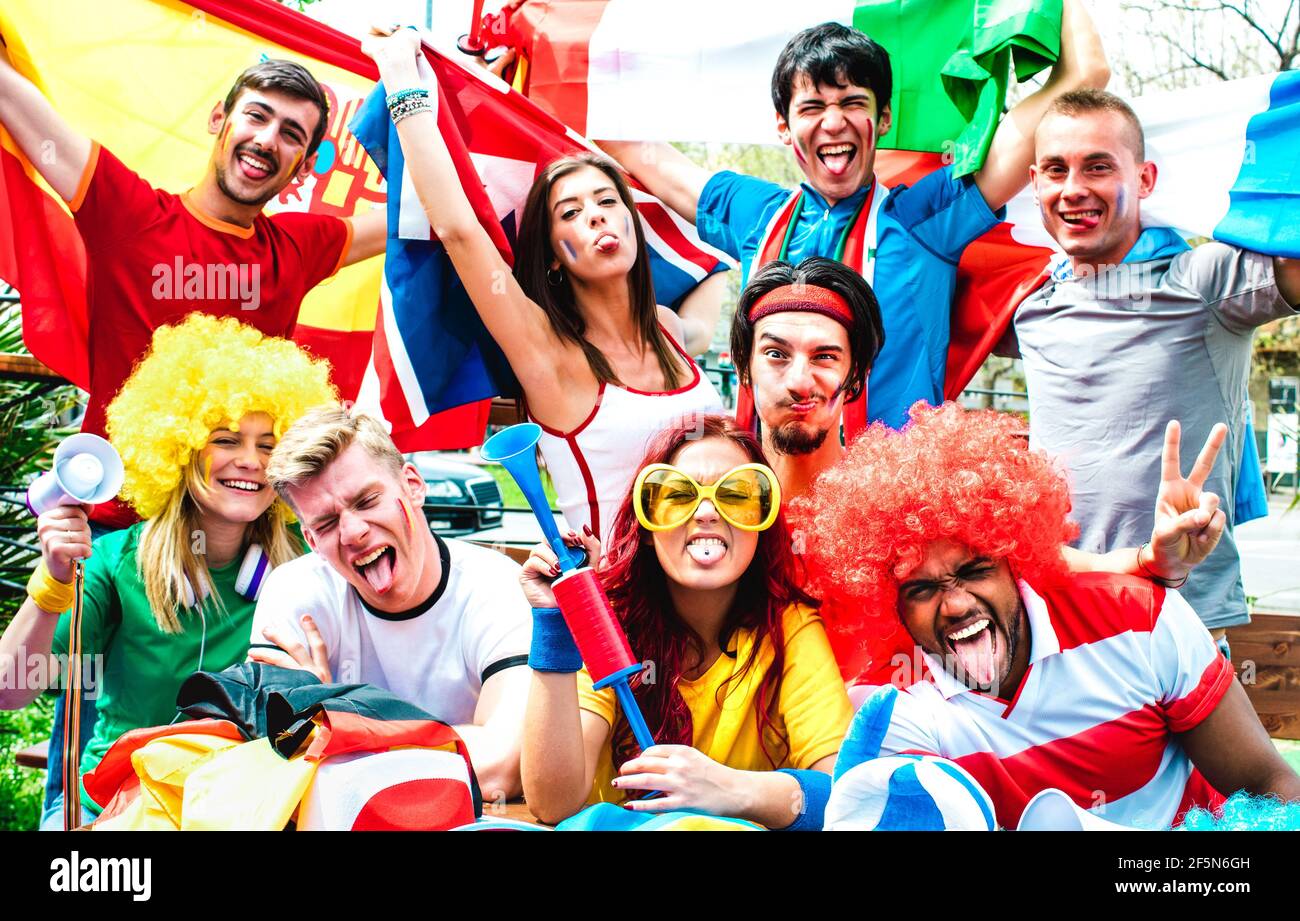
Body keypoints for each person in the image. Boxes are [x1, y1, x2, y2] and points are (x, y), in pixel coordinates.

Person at [600, 0, 1109, 431]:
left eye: (852, 102)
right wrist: (526, 64)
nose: (834, 122)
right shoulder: (756, 214)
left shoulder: (924, 218)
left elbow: (1086, 76)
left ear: (883, 118)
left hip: (893, 517)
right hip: (770, 505)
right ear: (783, 125)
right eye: (812, 107)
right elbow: (629, 145)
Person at [804, 402, 1300, 828]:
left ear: (1016, 559)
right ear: (892, 603)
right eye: (921, 588)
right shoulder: (900, 709)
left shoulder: (1139, 619)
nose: (955, 605)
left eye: (974, 570)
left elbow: (1270, 785)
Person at [736, 257, 1227, 683]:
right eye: (776, 354)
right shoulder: (710, 504)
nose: (800, 381)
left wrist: (1156, 559)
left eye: (825, 357)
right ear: (743, 368)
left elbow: (1048, 566)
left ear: (855, 378)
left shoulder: (902, 501)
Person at [360, 28, 723, 545]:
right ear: (553, 255)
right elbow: (460, 232)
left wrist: (713, 253)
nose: (596, 218)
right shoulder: (547, 351)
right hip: (616, 611)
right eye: (571, 213)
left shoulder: (667, 331)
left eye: (607, 202)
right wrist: (402, 81)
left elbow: (709, 305)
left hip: (719, 598)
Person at [0, 51, 386, 527]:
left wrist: (443, 94)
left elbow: (420, 216)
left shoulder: (298, 247)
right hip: (115, 528)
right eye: (256, 116)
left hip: (237, 542)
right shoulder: (127, 214)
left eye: (290, 134)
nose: (267, 140)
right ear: (218, 119)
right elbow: (9, 95)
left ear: (304, 166)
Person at [0, 313, 337, 827]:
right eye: (226, 439)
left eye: (268, 445)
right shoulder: (111, 562)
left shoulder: (308, 569)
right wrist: (52, 581)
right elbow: (11, 691)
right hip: (117, 808)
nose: (251, 460)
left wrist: (316, 697)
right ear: (179, 448)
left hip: (246, 814)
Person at [1016, 88, 1300, 640]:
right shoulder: (1029, 306)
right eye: (1056, 170)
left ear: (1145, 179)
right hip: (1056, 618)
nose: (1073, 189)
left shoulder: (1204, 281)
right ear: (1034, 184)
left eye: (1098, 167)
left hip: (1177, 624)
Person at [519, 415, 852, 829]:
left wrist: (726, 788)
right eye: (678, 495)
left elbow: (844, 796)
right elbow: (552, 803)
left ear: (762, 527)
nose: (708, 511)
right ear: (644, 527)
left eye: (737, 494)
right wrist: (554, 624)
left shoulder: (791, 627)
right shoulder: (608, 623)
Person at [248, 406, 532, 802]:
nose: (353, 532)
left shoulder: (497, 587)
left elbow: (504, 767)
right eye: (327, 524)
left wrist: (335, 724)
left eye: (366, 501)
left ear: (412, 486)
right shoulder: (294, 590)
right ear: (312, 542)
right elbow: (262, 765)